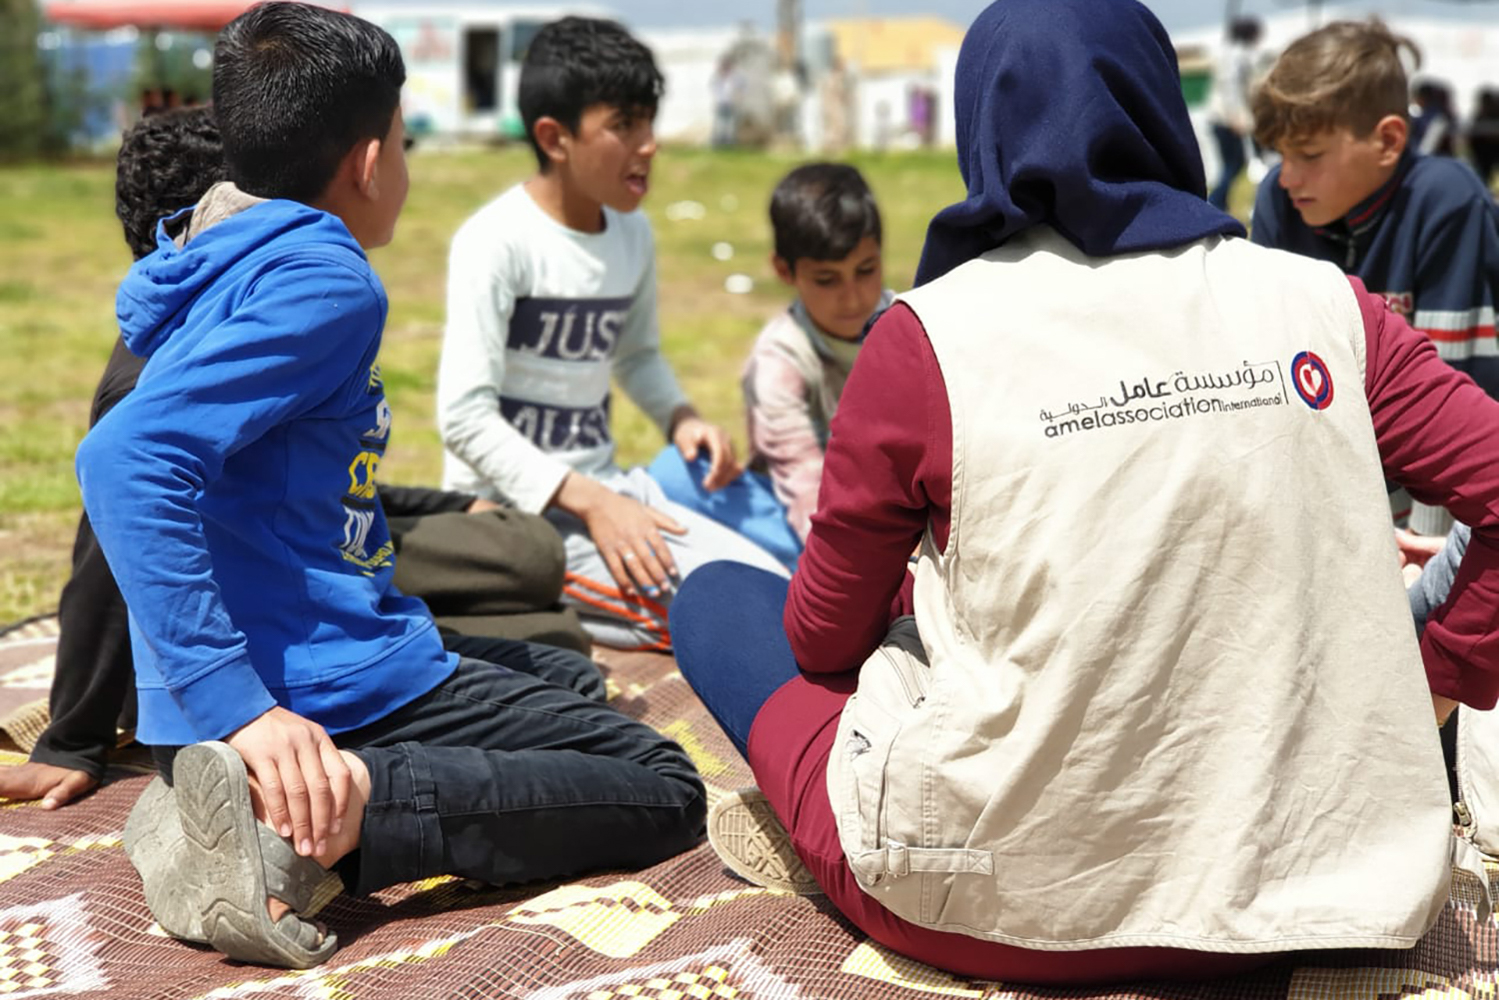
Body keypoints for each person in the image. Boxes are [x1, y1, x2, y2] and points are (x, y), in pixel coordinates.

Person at [668, 0, 1499, 984]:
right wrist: (1436, 673)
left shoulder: (928, 335)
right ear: (1158, 112)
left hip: (990, 900)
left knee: (721, 597)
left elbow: (821, 638)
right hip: (1334, 888)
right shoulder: (1322, 306)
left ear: (981, 127)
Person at [78, 4, 704, 969]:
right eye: (404, 143)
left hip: (247, 690)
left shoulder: (215, 250)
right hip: (303, 692)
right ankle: (319, 818)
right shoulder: (328, 276)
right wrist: (241, 708)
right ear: (369, 162)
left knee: (568, 675)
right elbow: (124, 460)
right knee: (661, 781)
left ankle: (227, 792)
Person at [0, 108, 592, 812]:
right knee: (557, 641)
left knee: (546, 610)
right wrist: (74, 738)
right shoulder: (162, 365)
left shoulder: (272, 306)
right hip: (287, 636)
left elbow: (316, 472)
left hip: (340, 563)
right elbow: (117, 521)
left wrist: (448, 504)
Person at [437, 16, 787, 653]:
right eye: (623, 125)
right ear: (555, 137)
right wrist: (592, 503)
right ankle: (504, 600)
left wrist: (681, 418)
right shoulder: (496, 242)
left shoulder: (632, 233)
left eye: (649, 121)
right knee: (740, 620)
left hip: (610, 491)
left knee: (770, 582)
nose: (648, 144)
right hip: (512, 517)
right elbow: (463, 417)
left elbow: (637, 354)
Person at [1249, 19, 1499, 536]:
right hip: (1326, 504)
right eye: (1281, 155)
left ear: (1387, 141)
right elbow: (1264, 365)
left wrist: (1423, 554)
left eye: (1310, 155)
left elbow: (1451, 404)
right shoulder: (1279, 198)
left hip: (1437, 517)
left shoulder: (1447, 199)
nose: (1288, 176)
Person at [649, 162, 891, 567]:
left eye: (865, 271)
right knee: (676, 473)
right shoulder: (778, 361)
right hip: (803, 516)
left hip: (896, 508)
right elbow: (804, 486)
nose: (852, 297)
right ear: (784, 270)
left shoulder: (907, 324)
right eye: (827, 280)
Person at [1206, 15, 1262, 210]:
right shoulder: (1238, 55)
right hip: (1227, 119)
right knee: (1234, 164)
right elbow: (1231, 88)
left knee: (1232, 164)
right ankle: (1215, 203)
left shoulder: (1227, 51)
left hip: (1220, 118)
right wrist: (1236, 117)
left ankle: (1220, 204)